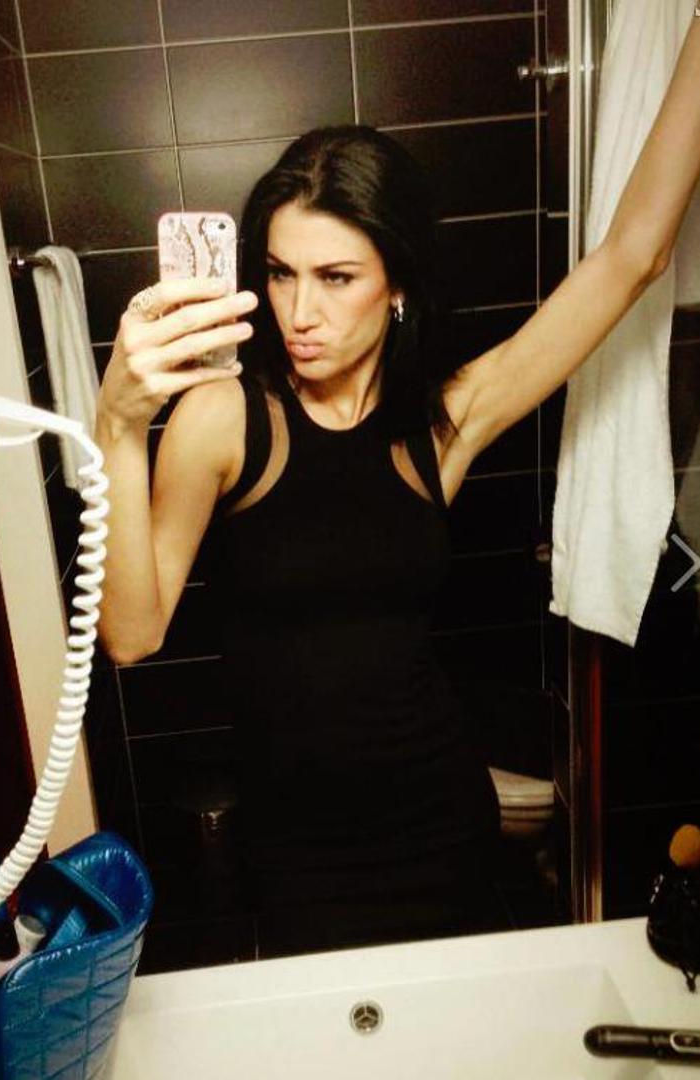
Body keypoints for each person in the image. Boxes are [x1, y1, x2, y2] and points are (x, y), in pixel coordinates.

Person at [95, 55, 700, 952]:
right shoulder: (222, 419)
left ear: (399, 284)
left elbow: (630, 258)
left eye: (335, 277)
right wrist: (116, 422)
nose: (298, 312)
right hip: (298, 848)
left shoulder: (444, 424)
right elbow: (131, 635)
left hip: (441, 815)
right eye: (281, 273)